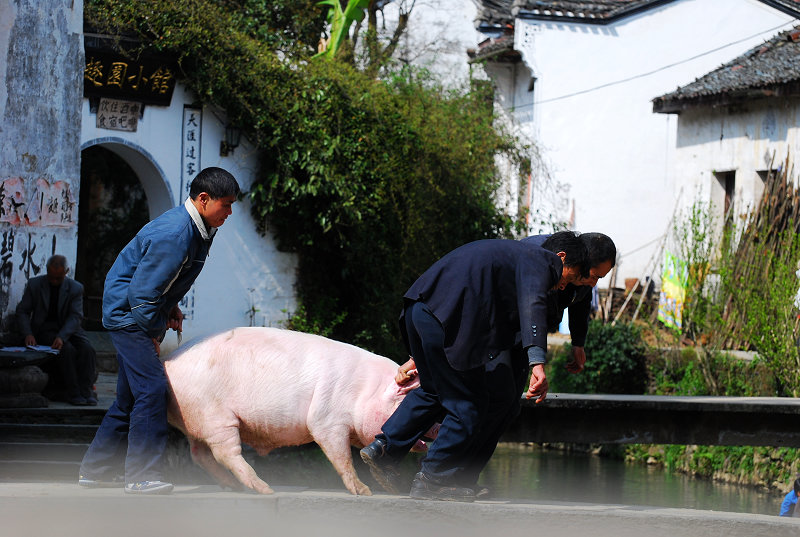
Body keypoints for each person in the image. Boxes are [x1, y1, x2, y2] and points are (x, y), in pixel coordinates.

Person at [360, 231, 588, 502]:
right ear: (561, 257)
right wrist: (537, 362)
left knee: (434, 390)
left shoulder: (514, 254)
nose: (564, 288)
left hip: (418, 310)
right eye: (571, 278)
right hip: (445, 319)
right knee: (470, 402)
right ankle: (434, 478)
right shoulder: (540, 260)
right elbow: (533, 306)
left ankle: (384, 449)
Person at [78, 167, 240, 495]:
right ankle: (141, 476)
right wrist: (153, 331)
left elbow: (160, 281)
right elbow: (141, 294)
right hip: (130, 316)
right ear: (204, 199)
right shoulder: (178, 233)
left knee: (129, 397)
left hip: (137, 310)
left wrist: (170, 307)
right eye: (226, 205)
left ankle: (94, 471)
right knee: (152, 390)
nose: (230, 212)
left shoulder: (200, 227)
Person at [16, 254, 97, 406]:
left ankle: (87, 391)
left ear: (66, 272)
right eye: (51, 277)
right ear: (47, 271)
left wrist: (62, 336)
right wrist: (28, 333)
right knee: (66, 350)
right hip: (44, 329)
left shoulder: (75, 288)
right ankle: (73, 392)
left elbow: (75, 316)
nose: (53, 281)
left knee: (87, 349)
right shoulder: (35, 284)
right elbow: (22, 311)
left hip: (68, 328)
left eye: (58, 278)